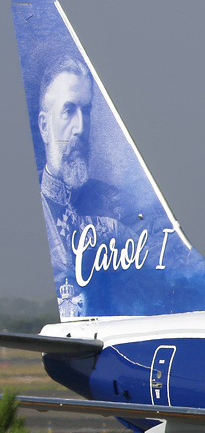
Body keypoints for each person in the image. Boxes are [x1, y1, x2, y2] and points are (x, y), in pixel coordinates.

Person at [37, 55, 128, 318]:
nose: (80, 127)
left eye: (85, 111)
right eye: (68, 111)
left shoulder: (116, 205)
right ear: (44, 126)